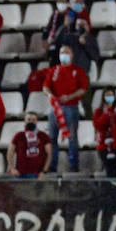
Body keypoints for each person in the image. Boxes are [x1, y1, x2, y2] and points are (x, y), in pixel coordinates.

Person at [43, 45, 89, 173]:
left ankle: (73, 165)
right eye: (61, 52)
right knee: (52, 137)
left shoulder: (78, 71)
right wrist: (50, 95)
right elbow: (45, 87)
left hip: (71, 107)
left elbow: (83, 89)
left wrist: (69, 97)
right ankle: (52, 165)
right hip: (55, 107)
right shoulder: (53, 71)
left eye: (66, 52)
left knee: (72, 137)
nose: (64, 54)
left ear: (72, 55)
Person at [8, 111, 51, 179]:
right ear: (24, 121)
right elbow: (10, 153)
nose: (31, 121)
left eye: (34, 120)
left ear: (37, 121)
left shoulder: (44, 136)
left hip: (37, 174)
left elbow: (49, 155)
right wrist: (12, 168)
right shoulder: (19, 135)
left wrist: (44, 171)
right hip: (20, 174)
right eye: (29, 119)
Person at [92, 91, 116, 178]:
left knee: (114, 170)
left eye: (112, 95)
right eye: (107, 95)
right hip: (103, 146)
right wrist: (106, 113)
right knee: (109, 170)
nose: (110, 97)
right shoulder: (98, 111)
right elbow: (98, 125)